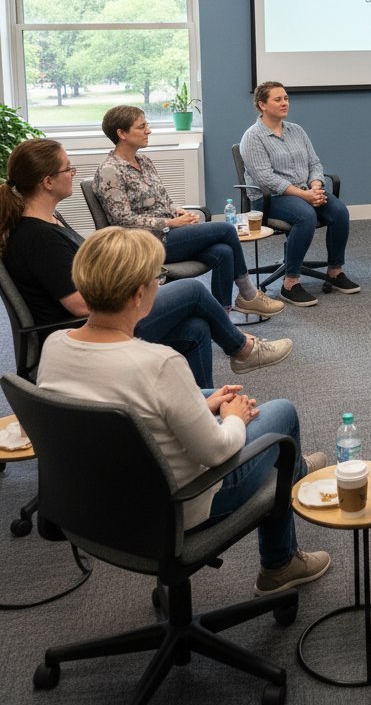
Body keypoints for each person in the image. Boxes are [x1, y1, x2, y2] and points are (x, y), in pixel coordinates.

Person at [36, 226, 331, 597]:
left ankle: (294, 470)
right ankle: (281, 562)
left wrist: (200, 406)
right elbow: (219, 451)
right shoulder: (158, 363)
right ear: (139, 294)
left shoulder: (54, 345)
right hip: (175, 507)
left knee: (197, 345)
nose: (160, 285)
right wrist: (234, 418)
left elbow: (112, 406)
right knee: (281, 415)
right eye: (158, 278)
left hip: (94, 503)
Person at [0, 139, 292, 386]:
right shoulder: (38, 238)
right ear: (47, 181)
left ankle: (205, 411)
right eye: (68, 168)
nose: (73, 174)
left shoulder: (50, 220)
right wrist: (132, 293)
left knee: (196, 330)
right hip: (86, 334)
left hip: (99, 322)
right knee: (192, 290)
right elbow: (79, 305)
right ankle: (243, 349)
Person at [93, 105, 283, 319]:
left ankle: (223, 315)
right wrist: (171, 223)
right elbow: (122, 219)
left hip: (167, 234)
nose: (149, 130)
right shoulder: (110, 170)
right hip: (144, 244)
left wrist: (178, 213)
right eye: (142, 126)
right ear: (122, 133)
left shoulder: (144, 161)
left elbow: (163, 201)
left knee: (223, 252)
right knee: (226, 231)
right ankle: (248, 295)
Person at [239, 81, 360, 307]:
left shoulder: (297, 130)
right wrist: (306, 196)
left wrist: (315, 186)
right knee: (306, 215)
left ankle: (335, 271)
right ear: (262, 104)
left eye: (286, 98)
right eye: (278, 99)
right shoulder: (252, 137)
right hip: (269, 199)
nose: (285, 102)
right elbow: (267, 179)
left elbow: (314, 163)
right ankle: (290, 283)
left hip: (305, 192)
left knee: (340, 212)